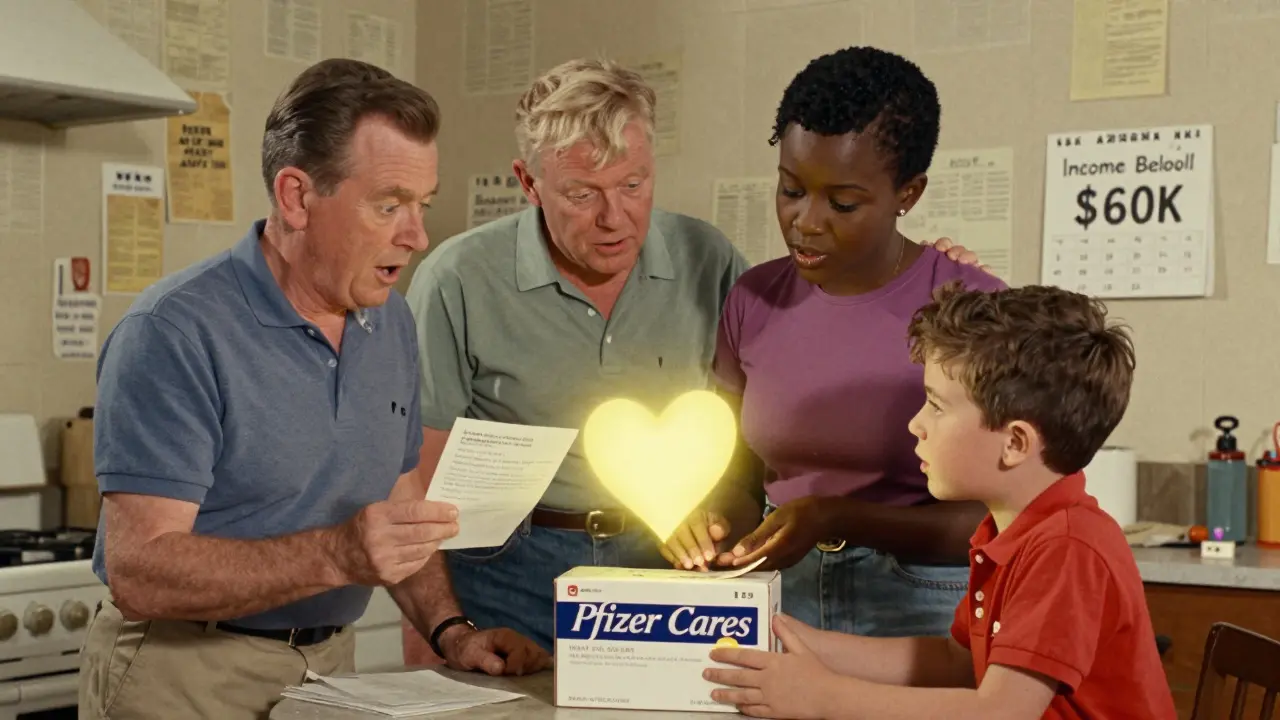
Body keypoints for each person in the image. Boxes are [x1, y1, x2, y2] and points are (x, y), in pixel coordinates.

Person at [400, 57, 986, 658]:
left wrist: (938, 275)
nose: (614, 217)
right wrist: (441, 632)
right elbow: (410, 488)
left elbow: (739, 452)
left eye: (633, 185)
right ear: (529, 183)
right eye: (582, 194)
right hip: (514, 567)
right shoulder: (458, 278)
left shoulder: (710, 261)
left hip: (681, 572)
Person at [77, 59, 546, 720]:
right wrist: (335, 553)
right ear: (297, 197)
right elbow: (140, 573)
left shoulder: (391, 322)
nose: (417, 236)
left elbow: (396, 498)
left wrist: (452, 633)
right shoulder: (175, 332)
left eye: (422, 205)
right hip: (184, 675)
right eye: (389, 205)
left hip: (329, 672)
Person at [704, 282, 1177, 720]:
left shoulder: (1069, 548)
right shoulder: (1008, 531)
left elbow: (1000, 713)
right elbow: (955, 662)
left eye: (937, 405)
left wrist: (824, 696)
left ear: (1014, 443)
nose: (917, 424)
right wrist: (798, 640)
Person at [665, 47, 1005, 638]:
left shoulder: (971, 306)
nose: (806, 221)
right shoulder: (752, 298)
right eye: (791, 189)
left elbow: (1003, 517)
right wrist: (712, 520)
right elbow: (739, 478)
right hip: (779, 593)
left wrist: (835, 517)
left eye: (842, 203)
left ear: (910, 193)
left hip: (925, 602)